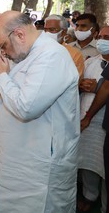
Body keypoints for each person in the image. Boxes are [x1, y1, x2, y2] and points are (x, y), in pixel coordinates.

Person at [0, 11, 80, 212]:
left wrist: (0, 76)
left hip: (39, 167)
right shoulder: (23, 53)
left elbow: (26, 107)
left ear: (19, 35)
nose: (4, 52)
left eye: (3, 46)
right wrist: (2, 74)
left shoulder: (51, 55)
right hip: (13, 160)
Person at [77, 26, 109, 213]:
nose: (103, 40)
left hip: (102, 119)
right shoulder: (90, 62)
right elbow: (78, 85)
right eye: (101, 37)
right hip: (87, 119)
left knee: (105, 168)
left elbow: (105, 89)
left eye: (108, 37)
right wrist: (81, 85)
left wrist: (98, 88)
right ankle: (90, 195)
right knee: (88, 160)